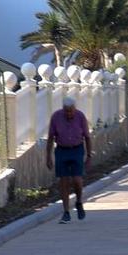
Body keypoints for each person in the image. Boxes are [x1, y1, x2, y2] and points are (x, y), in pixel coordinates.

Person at [46, 93, 92, 223]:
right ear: (63, 109)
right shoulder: (56, 117)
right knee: (64, 181)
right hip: (61, 150)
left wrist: (89, 156)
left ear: (75, 109)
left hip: (77, 149)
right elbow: (50, 138)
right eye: (66, 111)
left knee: (77, 180)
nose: (69, 114)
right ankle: (66, 211)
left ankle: (78, 201)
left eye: (71, 111)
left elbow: (87, 137)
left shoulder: (80, 116)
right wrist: (48, 157)